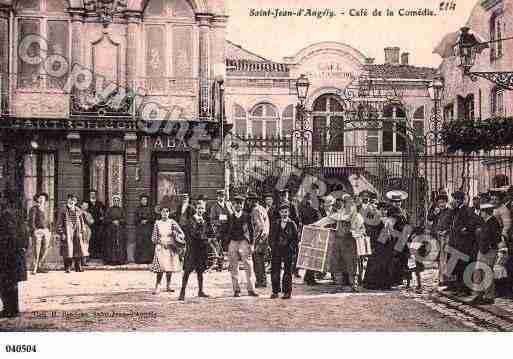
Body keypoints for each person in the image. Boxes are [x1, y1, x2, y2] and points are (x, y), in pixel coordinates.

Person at [313, 194, 365, 293]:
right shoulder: (339, 213)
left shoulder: (356, 215)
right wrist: (316, 224)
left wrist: (356, 233)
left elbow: (362, 229)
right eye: (344, 202)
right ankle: (339, 285)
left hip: (349, 242)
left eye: (347, 202)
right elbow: (327, 219)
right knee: (337, 263)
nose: (345, 204)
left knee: (351, 263)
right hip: (338, 241)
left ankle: (353, 285)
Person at [441, 190, 482, 294]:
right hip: (454, 242)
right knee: (452, 265)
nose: (452, 201)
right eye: (453, 199)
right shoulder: (453, 211)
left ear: (459, 200)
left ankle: (464, 289)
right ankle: (453, 286)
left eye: (454, 199)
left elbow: (476, 222)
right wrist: (450, 210)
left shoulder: (467, 210)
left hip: (462, 244)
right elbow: (445, 222)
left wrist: (466, 229)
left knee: (462, 266)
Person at [464, 201, 501, 305]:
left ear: (486, 212)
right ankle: (478, 294)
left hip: (488, 252)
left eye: (482, 211)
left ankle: (488, 296)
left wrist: (489, 246)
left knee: (487, 273)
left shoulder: (493, 222)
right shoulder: (486, 222)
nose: (480, 213)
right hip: (482, 250)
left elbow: (496, 238)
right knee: (478, 273)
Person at [0, 191, 28, 318]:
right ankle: (12, 309)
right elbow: (25, 234)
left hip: (8, 254)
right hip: (16, 253)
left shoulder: (6, 214)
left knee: (6, 282)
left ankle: (9, 309)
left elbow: (8, 235)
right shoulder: (19, 213)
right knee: (12, 283)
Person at [227, 195, 259, 297]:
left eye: (240, 203)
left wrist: (252, 243)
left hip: (244, 241)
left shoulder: (247, 216)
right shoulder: (230, 216)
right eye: (236, 203)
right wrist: (227, 242)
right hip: (233, 241)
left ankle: (251, 289)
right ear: (233, 205)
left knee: (249, 265)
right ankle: (236, 290)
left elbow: (252, 230)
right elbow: (226, 230)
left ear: (242, 204)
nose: (238, 205)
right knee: (233, 266)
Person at [150, 201, 185, 294]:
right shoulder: (157, 223)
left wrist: (175, 237)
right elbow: (153, 237)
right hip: (160, 247)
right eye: (163, 211)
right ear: (160, 213)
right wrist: (160, 242)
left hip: (170, 246)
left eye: (167, 211)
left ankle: (168, 285)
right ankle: (158, 286)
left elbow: (181, 233)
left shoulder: (172, 222)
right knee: (160, 267)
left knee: (169, 266)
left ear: (169, 213)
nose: (165, 213)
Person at [179, 200, 210, 300]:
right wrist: (201, 230)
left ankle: (200, 291)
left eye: (202, 208)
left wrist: (209, 237)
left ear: (204, 210)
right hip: (192, 249)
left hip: (201, 249)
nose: (200, 210)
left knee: (200, 271)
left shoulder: (205, 220)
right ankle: (182, 292)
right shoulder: (191, 220)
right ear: (195, 209)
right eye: (199, 208)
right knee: (187, 271)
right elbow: (193, 234)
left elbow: (208, 232)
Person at [270, 202, 299, 299]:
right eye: (282, 212)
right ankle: (275, 291)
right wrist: (273, 247)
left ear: (289, 213)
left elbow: (296, 239)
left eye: (286, 212)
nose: (284, 214)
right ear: (279, 213)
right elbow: (271, 237)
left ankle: (287, 292)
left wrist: (292, 248)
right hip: (277, 250)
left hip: (288, 251)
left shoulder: (292, 224)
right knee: (275, 271)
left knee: (288, 271)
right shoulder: (276, 223)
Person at [57, 194, 88, 273]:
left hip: (77, 232)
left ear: (76, 202)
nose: (72, 202)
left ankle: (78, 266)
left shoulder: (78, 210)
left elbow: (82, 222)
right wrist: (61, 233)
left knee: (78, 249)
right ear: (68, 200)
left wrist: (83, 230)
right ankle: (68, 267)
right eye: (70, 200)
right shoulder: (63, 210)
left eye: (74, 200)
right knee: (67, 250)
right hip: (67, 232)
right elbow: (59, 223)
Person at [247, 192, 269, 289]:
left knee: (257, 261)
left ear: (253, 201)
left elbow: (259, 226)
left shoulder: (255, 210)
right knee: (261, 260)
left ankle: (260, 281)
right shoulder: (262, 208)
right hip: (265, 238)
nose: (249, 202)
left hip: (259, 239)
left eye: (250, 200)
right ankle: (263, 280)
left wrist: (254, 240)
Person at [300, 193, 321, 285]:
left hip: (305, 234)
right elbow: (319, 224)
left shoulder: (302, 210)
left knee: (308, 256)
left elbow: (300, 223)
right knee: (313, 256)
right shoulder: (315, 211)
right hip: (314, 235)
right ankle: (310, 278)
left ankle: (307, 277)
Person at [28, 192, 52, 274]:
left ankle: (40, 265)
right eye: (40, 198)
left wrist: (50, 230)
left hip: (46, 231)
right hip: (37, 231)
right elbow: (31, 221)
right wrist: (34, 230)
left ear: (45, 200)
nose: (42, 200)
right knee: (36, 250)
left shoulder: (46, 209)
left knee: (45, 248)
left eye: (43, 198)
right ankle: (34, 268)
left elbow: (49, 220)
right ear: (37, 199)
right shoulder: (34, 209)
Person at [209, 189, 232, 272]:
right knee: (219, 248)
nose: (221, 198)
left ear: (224, 197)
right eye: (219, 196)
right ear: (217, 197)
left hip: (228, 230)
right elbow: (212, 220)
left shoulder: (228, 205)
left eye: (222, 196)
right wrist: (221, 221)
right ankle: (220, 266)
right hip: (219, 230)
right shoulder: (214, 207)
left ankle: (230, 265)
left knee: (229, 248)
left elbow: (232, 216)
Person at [103, 195, 128, 265]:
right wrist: (112, 221)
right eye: (115, 201)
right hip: (110, 231)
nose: (116, 202)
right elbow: (105, 219)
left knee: (119, 245)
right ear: (113, 202)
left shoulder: (121, 210)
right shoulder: (109, 210)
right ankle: (111, 260)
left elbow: (125, 220)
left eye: (117, 201)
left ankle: (120, 260)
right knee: (111, 245)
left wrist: (119, 221)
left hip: (119, 230)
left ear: (119, 202)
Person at [135, 195, 155, 264]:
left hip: (148, 229)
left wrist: (147, 220)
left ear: (147, 201)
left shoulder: (150, 209)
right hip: (140, 229)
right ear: (140, 201)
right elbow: (135, 219)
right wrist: (140, 221)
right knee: (140, 243)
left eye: (145, 200)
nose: (144, 201)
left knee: (148, 243)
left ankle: (148, 259)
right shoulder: (138, 209)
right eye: (142, 200)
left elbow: (153, 218)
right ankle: (140, 260)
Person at [87, 190, 105, 261]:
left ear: (96, 195)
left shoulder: (99, 204)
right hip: (89, 224)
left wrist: (102, 217)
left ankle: (97, 254)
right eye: (91, 194)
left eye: (94, 194)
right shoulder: (87, 203)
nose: (93, 195)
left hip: (98, 225)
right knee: (90, 239)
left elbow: (104, 212)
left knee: (97, 238)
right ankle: (89, 254)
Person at [80, 201, 95, 266]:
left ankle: (84, 261)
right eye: (84, 205)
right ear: (81, 206)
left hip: (86, 230)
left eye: (87, 206)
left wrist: (87, 216)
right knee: (80, 245)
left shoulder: (88, 214)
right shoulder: (78, 213)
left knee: (86, 245)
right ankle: (79, 261)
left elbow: (92, 221)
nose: (86, 207)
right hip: (79, 230)